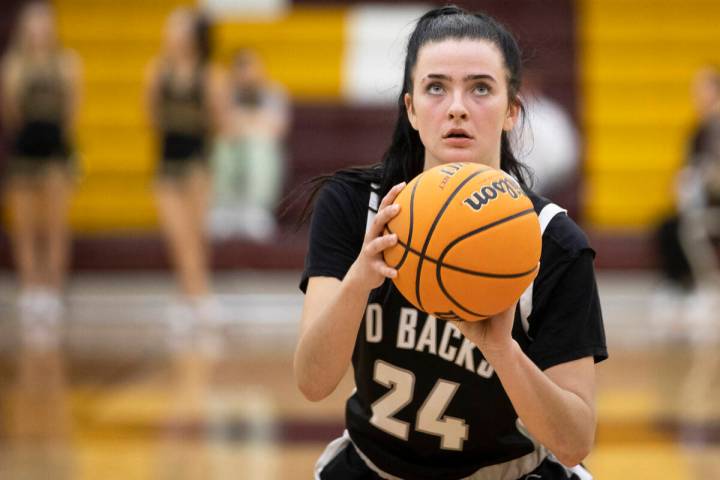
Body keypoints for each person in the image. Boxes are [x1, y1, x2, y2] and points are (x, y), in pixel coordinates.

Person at [294, 6, 607, 480]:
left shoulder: (552, 240)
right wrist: (360, 279)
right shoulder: (355, 206)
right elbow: (313, 383)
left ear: (511, 110)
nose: (457, 106)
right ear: (411, 109)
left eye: (481, 88)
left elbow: (574, 441)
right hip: (373, 469)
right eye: (436, 87)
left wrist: (502, 350)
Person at [144, 7, 227, 347]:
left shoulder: (209, 74)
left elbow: (220, 121)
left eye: (179, 27)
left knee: (195, 234)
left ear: (193, 35)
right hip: (167, 162)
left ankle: (194, 297)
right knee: (176, 233)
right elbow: (149, 117)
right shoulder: (156, 72)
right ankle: (196, 297)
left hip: (197, 163)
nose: (172, 33)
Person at [1, 1, 81, 338]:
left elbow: (74, 110)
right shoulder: (12, 64)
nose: (39, 29)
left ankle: (53, 286)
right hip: (24, 149)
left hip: (55, 149)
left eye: (44, 23)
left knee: (55, 222)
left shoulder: (67, 63)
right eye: (33, 23)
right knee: (24, 224)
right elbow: (10, 113)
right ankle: (30, 287)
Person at [209, 49, 289, 241]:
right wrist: (252, 124)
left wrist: (242, 124)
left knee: (259, 147)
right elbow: (221, 126)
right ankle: (226, 208)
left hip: (262, 151)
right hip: (234, 149)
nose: (248, 75)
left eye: (251, 67)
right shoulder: (226, 94)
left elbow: (277, 129)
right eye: (242, 69)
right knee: (223, 146)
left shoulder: (274, 93)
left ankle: (256, 209)